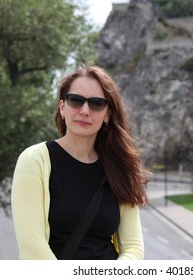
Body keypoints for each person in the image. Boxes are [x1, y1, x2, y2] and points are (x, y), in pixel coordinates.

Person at [11, 64, 149, 260]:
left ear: (107, 115)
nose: (85, 110)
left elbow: (134, 247)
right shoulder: (34, 160)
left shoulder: (118, 168)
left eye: (96, 103)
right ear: (62, 108)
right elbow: (32, 247)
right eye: (76, 100)